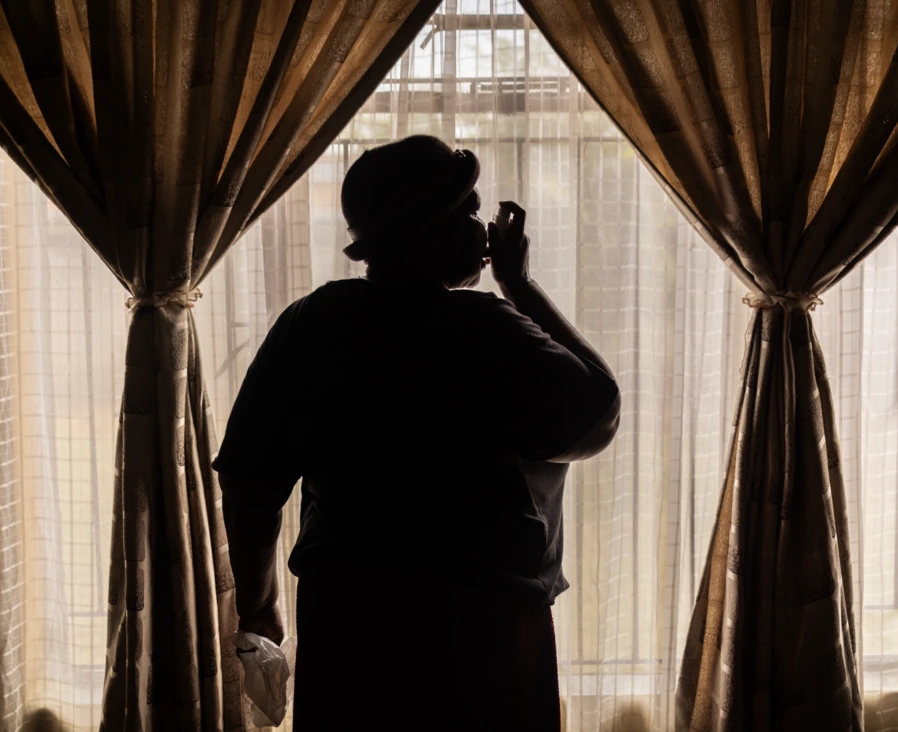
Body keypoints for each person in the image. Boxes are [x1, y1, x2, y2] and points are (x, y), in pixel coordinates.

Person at [214, 135, 620, 731]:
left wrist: (262, 609)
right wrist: (520, 284)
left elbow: (250, 485)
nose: (483, 232)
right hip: (483, 629)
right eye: (470, 213)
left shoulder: (312, 323)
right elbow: (598, 413)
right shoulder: (487, 330)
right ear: (431, 230)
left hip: (350, 621)